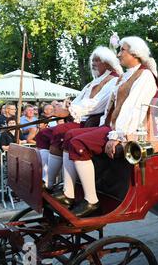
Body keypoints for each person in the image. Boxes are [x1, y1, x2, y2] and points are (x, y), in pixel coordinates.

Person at [52, 36, 158, 217]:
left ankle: (91, 201)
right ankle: (68, 193)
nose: (118, 55)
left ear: (135, 53)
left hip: (129, 131)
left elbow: (133, 109)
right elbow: (112, 107)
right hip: (111, 126)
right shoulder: (128, 75)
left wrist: (117, 136)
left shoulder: (145, 76)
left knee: (78, 143)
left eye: (122, 50)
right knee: (69, 136)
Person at [36, 46, 123, 189]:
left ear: (107, 62)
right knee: (43, 135)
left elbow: (96, 104)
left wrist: (68, 110)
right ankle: (46, 178)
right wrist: (63, 108)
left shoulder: (113, 80)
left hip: (91, 122)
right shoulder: (94, 82)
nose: (93, 63)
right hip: (81, 118)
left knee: (60, 133)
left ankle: (49, 182)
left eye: (97, 60)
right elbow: (78, 101)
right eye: (92, 60)